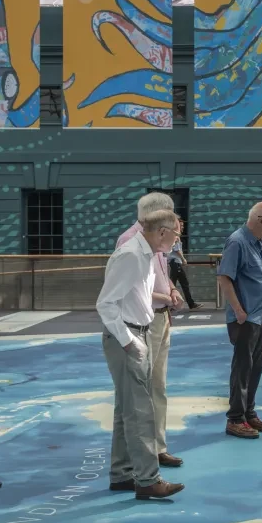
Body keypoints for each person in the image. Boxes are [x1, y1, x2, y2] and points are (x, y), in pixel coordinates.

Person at [97, 208, 185, 500]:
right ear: (161, 232)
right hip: (127, 335)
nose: (177, 239)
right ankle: (147, 480)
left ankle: (122, 473)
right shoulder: (132, 255)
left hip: (137, 331)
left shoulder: (145, 254)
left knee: (127, 410)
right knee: (140, 411)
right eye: (176, 234)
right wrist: (129, 342)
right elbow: (106, 304)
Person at [117, 197, 186, 468]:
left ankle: (157, 447)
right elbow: (132, 290)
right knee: (140, 392)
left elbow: (160, 273)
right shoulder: (130, 242)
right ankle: (140, 455)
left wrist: (172, 289)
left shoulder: (158, 239)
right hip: (142, 322)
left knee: (158, 387)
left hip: (160, 318)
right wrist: (165, 297)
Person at [216, 202, 262, 440]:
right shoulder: (237, 242)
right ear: (261, 220)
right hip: (246, 318)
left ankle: (249, 412)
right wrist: (239, 311)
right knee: (242, 368)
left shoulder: (257, 244)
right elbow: (224, 278)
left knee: (255, 366)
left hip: (260, 316)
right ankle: (235, 418)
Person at [167, 234, 201, 310]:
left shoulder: (172, 237)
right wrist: (183, 259)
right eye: (180, 226)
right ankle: (190, 304)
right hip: (176, 262)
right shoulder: (175, 237)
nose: (182, 227)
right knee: (183, 283)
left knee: (174, 283)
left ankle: (172, 304)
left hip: (174, 263)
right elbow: (177, 249)